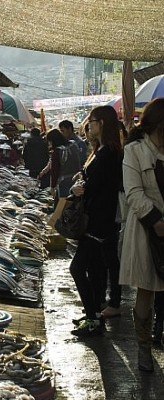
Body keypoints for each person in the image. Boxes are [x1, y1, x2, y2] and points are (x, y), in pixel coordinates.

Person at [69, 106, 123, 338]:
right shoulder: (101, 150)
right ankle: (94, 314)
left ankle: (93, 319)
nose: (88, 125)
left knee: (77, 268)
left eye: (91, 121)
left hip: (99, 220)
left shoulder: (109, 152)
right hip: (98, 219)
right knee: (94, 268)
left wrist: (79, 188)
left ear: (101, 122)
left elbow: (97, 186)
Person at [119, 98, 164, 372]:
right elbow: (134, 192)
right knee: (146, 291)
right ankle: (144, 350)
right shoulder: (134, 150)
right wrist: (157, 221)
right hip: (147, 231)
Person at [40, 129, 81, 202]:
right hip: (77, 179)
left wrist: (52, 187)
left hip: (64, 182)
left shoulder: (57, 151)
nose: (49, 143)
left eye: (49, 141)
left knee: (63, 205)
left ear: (53, 140)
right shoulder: (73, 144)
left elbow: (54, 171)